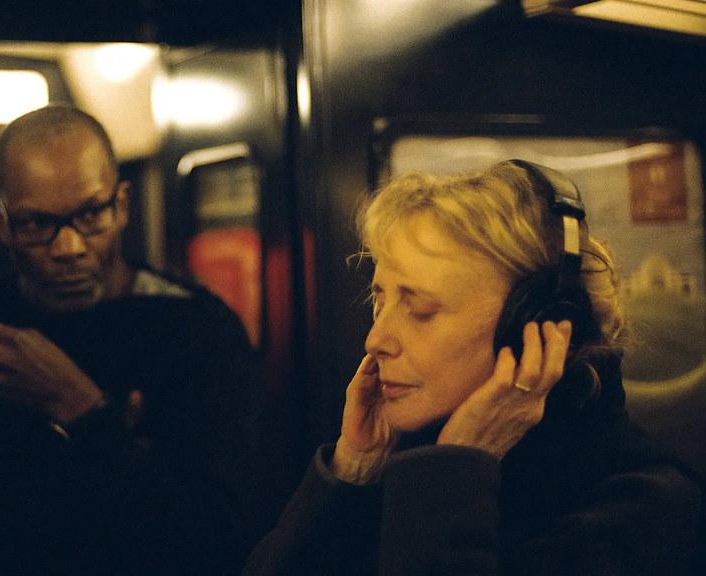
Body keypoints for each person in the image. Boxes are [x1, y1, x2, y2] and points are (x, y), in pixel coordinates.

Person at [244, 160, 703, 575]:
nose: (376, 339)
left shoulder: (644, 512)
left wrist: (454, 473)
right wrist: (352, 474)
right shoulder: (411, 463)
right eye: (380, 302)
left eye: (420, 310)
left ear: (531, 324)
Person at [0, 106, 266, 575]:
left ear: (122, 206)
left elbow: (216, 540)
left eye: (91, 215)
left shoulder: (197, 330)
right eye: (36, 224)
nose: (69, 247)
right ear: (2, 224)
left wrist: (79, 406)